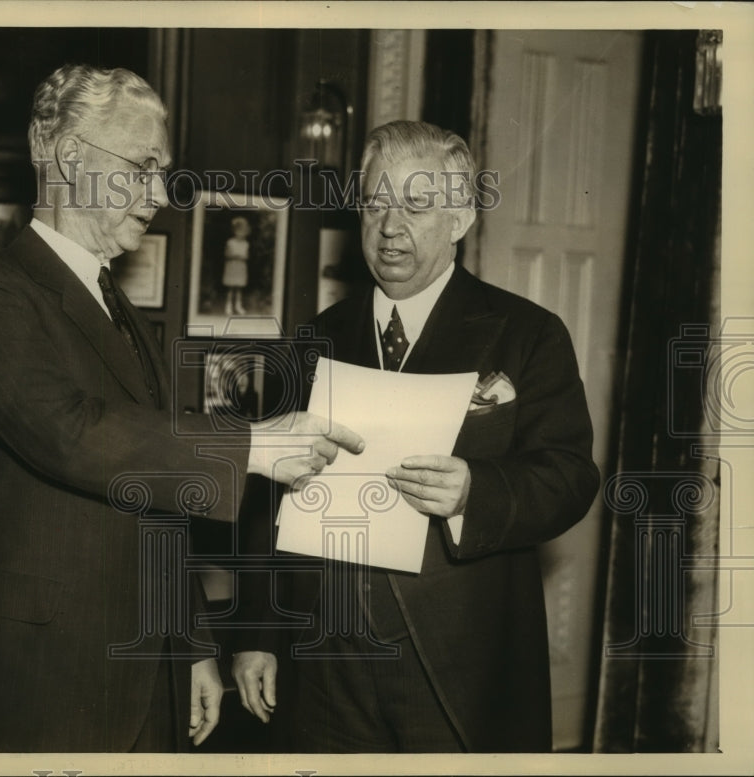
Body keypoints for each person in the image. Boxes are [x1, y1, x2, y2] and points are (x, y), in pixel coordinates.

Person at [0, 64, 364, 752]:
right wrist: (249, 446)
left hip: (141, 672)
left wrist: (189, 643)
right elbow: (70, 432)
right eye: (143, 167)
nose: (161, 192)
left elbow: (156, 504)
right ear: (70, 156)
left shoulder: (126, 317)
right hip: (32, 679)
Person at [231, 120, 600, 752]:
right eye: (375, 203)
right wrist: (258, 632)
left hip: (457, 660)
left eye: (417, 205)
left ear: (460, 220)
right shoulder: (311, 339)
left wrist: (474, 492)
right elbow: (265, 500)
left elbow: (569, 476)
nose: (390, 226)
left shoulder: (527, 333)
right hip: (326, 658)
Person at [222, 215, 251, 315]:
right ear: (234, 231)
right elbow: (226, 254)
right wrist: (235, 255)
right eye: (239, 231)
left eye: (243, 231)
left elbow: (247, 256)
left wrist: (242, 257)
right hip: (232, 266)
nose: (241, 233)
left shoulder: (246, 244)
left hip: (240, 267)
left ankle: (238, 306)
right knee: (231, 288)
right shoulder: (230, 242)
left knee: (239, 288)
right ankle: (228, 306)